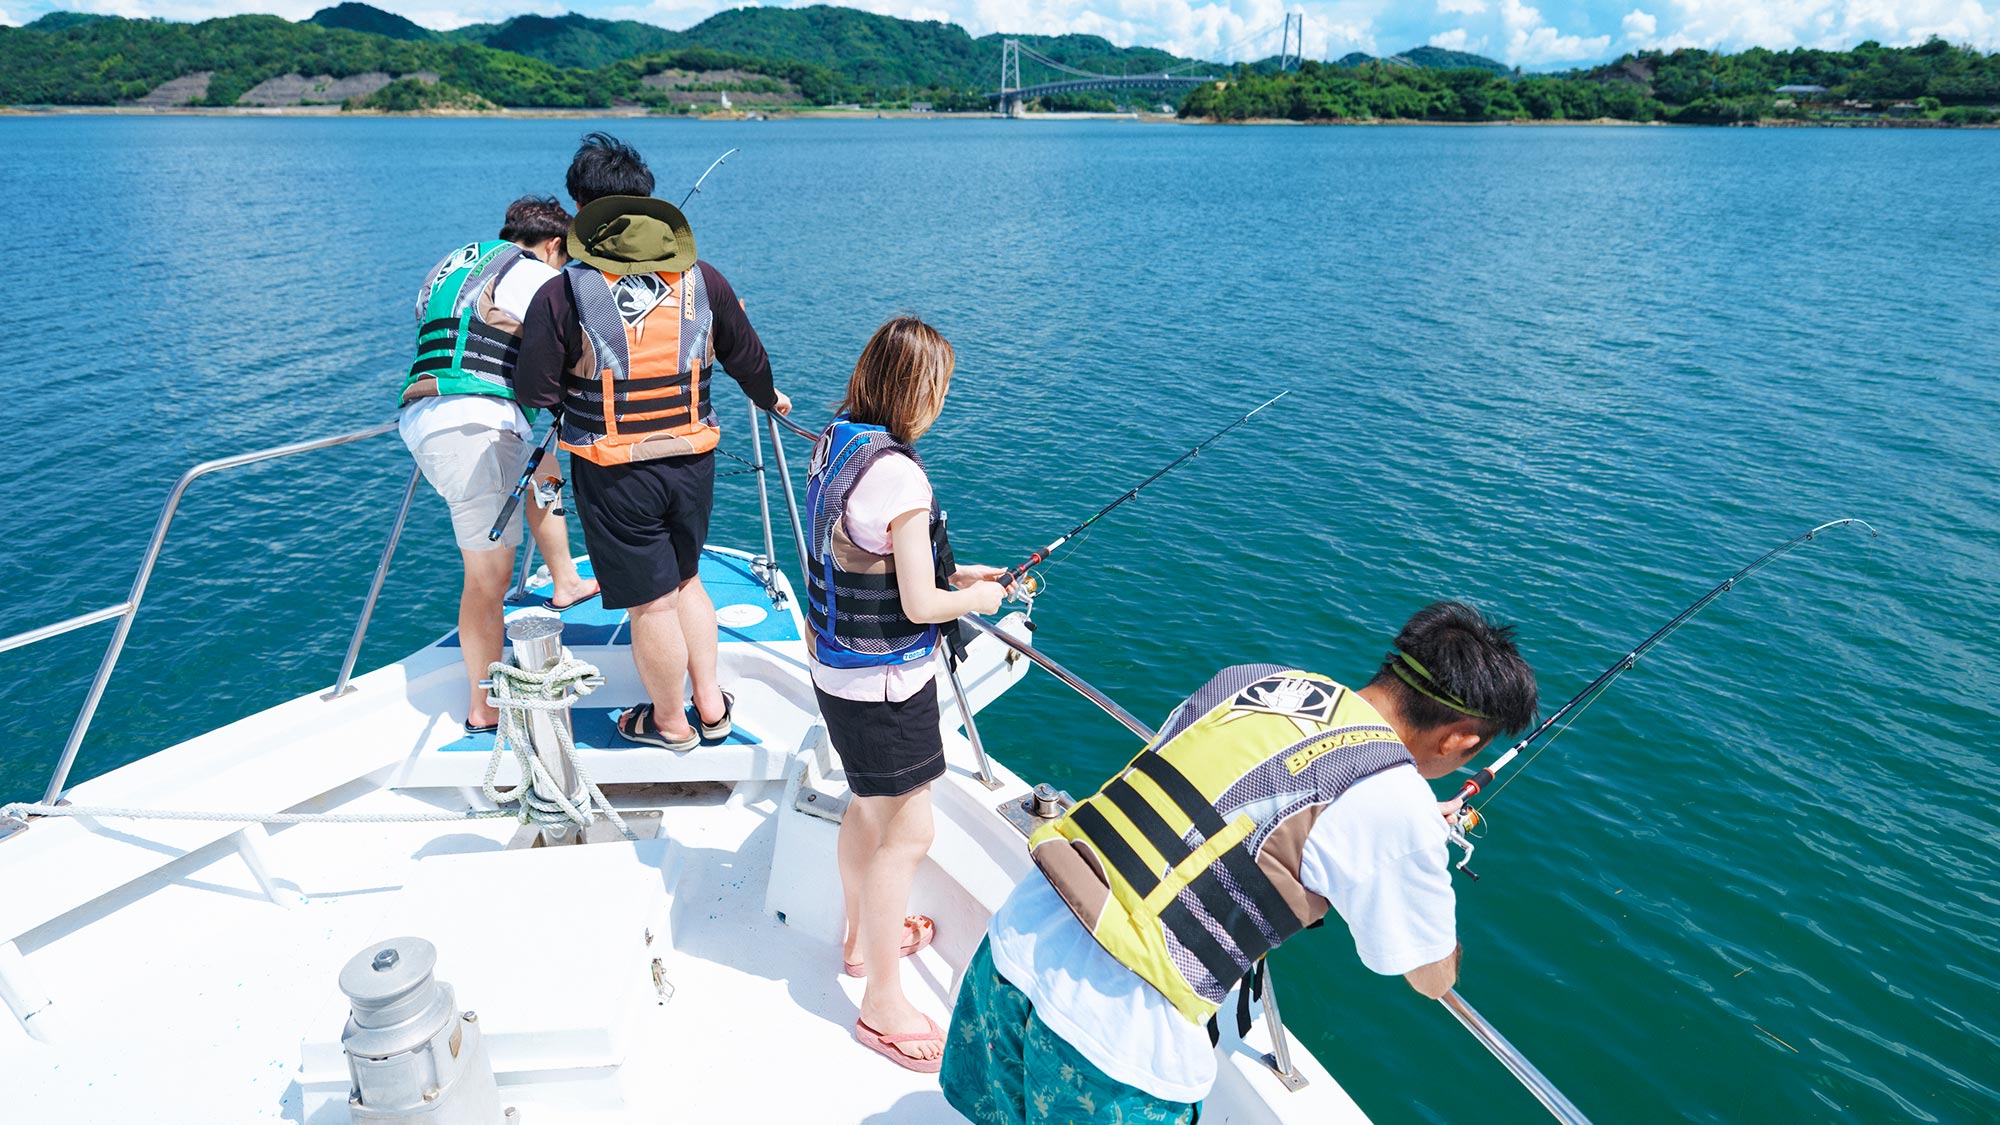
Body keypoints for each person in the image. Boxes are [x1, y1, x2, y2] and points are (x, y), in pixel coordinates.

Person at [939, 602, 1539, 1123]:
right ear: (1460, 740)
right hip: (1115, 1040)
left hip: (1015, 946)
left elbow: (1238, 801)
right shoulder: (1397, 805)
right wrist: (1415, 839)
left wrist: (1403, 822)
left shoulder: (1256, 680)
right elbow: (1428, 975)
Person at [514, 132, 791, 751]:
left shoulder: (561, 292)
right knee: (687, 580)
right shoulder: (703, 280)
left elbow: (535, 388)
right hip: (693, 460)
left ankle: (669, 723)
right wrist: (769, 399)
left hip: (615, 472)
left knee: (652, 606)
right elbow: (749, 359)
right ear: (646, 201)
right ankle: (711, 707)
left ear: (581, 210)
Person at [804, 317, 1006, 1073]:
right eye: (939, 388)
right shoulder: (902, 476)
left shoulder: (838, 440)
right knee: (910, 833)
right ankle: (883, 1004)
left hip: (837, 669)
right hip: (886, 686)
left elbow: (876, 554)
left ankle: (862, 940)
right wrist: (978, 601)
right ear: (918, 390)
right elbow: (920, 606)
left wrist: (957, 576)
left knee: (868, 808)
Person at [400, 195, 599, 734]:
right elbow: (580, 333)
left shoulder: (454, 265)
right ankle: (483, 705)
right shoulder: (533, 272)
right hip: (473, 428)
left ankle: (565, 580)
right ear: (553, 245)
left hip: (438, 418)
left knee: (544, 469)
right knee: (488, 579)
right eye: (564, 259)